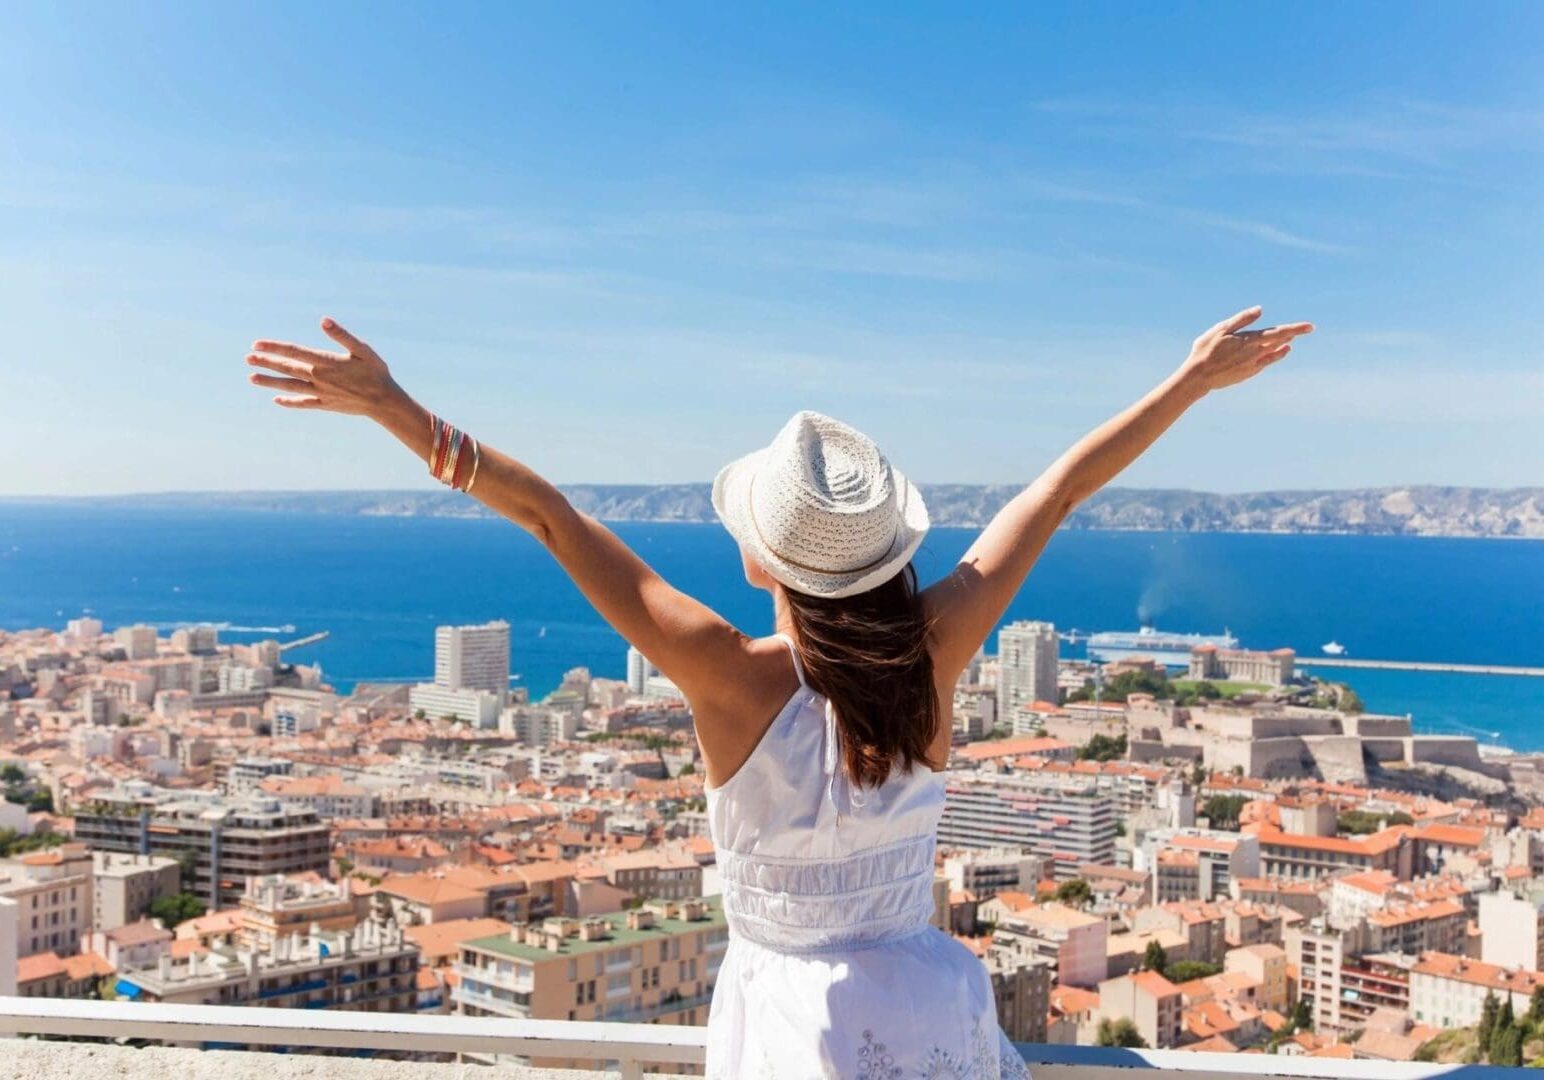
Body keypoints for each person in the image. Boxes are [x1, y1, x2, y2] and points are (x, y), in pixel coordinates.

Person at [244, 306, 1311, 1077]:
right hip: (934, 1011)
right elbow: (1061, 487)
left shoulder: (729, 677)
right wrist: (1190, 378)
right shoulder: (935, 651)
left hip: (796, 1029)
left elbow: (551, 519)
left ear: (763, 562)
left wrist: (397, 409)